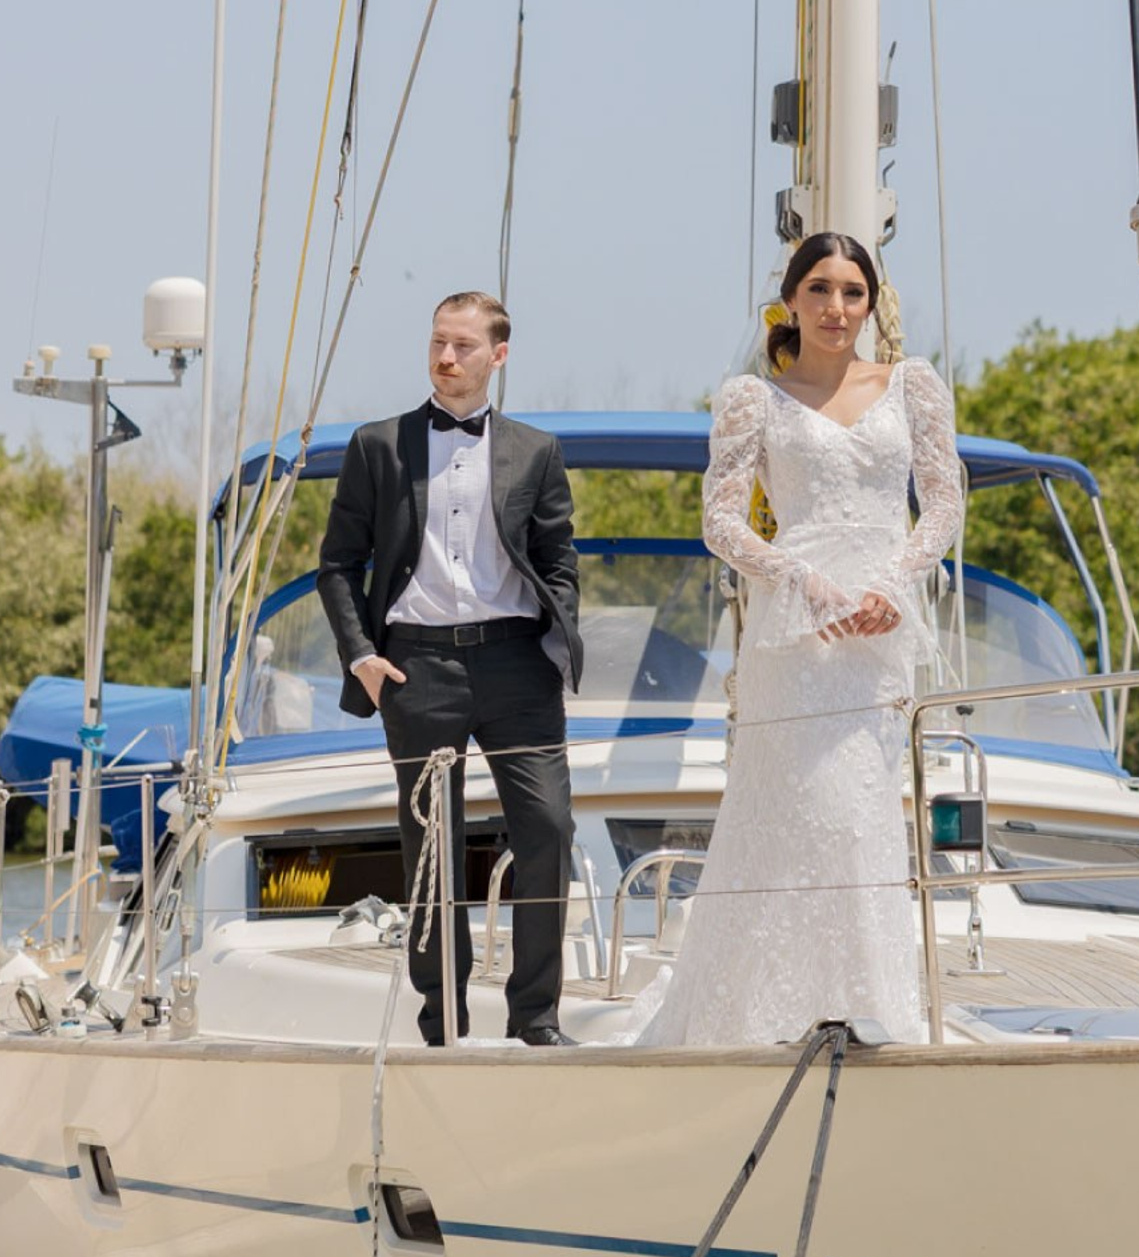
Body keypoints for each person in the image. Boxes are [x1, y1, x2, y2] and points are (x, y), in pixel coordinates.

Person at [636, 232, 962, 1047]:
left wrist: (893, 584)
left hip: (881, 628)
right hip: (794, 628)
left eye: (852, 291)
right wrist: (803, 581)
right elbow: (718, 521)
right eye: (819, 289)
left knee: (860, 815)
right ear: (790, 300)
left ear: (871, 302)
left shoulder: (913, 386)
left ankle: (869, 1004)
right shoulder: (753, 398)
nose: (836, 308)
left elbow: (945, 505)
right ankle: (766, 1010)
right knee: (791, 812)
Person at [317, 290, 582, 1047]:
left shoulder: (537, 451)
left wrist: (554, 645)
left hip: (517, 668)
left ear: (498, 355)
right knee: (432, 847)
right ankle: (447, 1023)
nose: (445, 357)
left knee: (549, 831)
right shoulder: (378, 445)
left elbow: (558, 559)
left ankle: (536, 1019)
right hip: (416, 669)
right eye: (438, 342)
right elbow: (338, 565)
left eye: (464, 345)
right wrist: (362, 656)